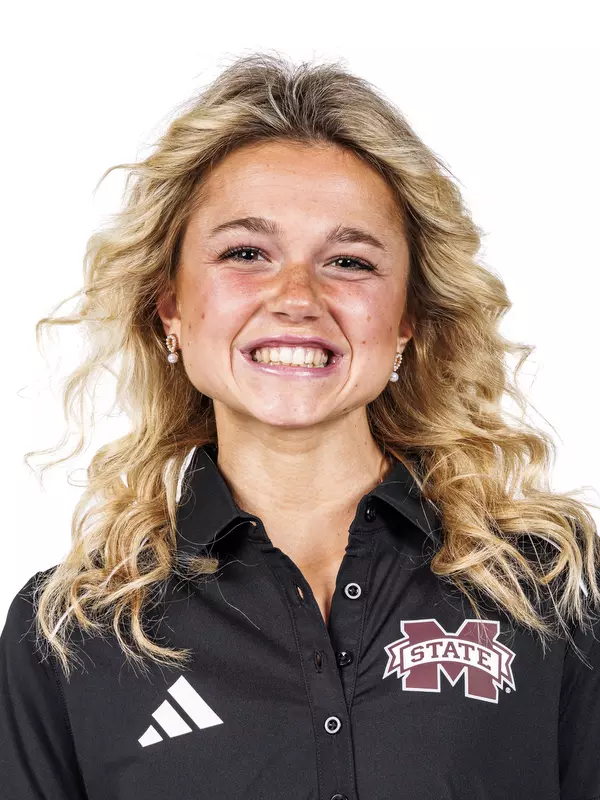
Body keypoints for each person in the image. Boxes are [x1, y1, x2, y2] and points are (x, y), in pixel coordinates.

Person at [1, 52, 599, 800]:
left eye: (348, 261)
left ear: (408, 317)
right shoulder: (72, 634)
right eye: (246, 253)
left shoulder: (549, 588)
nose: (296, 298)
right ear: (171, 306)